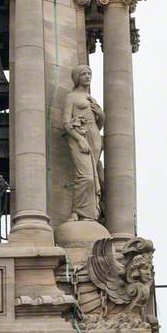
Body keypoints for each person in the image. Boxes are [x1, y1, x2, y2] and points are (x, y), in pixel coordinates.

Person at [62, 64, 104, 222]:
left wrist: (101, 115)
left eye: (89, 73)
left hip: (94, 137)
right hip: (80, 137)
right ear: (77, 78)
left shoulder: (91, 98)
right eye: (84, 74)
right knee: (86, 177)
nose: (88, 76)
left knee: (94, 177)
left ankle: (90, 215)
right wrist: (80, 140)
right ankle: (77, 212)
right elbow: (66, 124)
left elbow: (98, 125)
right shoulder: (71, 97)